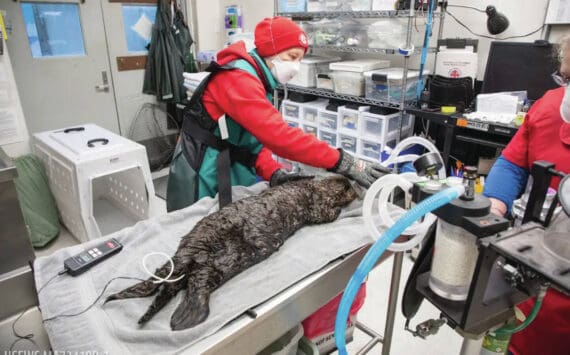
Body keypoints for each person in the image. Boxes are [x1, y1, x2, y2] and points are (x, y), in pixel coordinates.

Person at [167, 17, 389, 211]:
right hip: (203, 170)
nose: (296, 67)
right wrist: (341, 161)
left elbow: (253, 142)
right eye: (292, 57)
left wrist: (273, 173)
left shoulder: (258, 79)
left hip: (231, 163)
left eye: (300, 60)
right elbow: (279, 136)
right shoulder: (237, 79)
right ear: (271, 51)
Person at [483, 34, 570, 355]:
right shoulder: (550, 105)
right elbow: (514, 162)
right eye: (567, 78)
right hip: (525, 265)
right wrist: (495, 202)